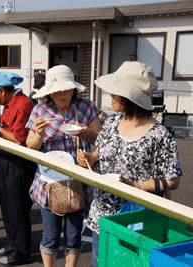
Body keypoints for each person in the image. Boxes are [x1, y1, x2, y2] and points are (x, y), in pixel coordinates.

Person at [77, 61, 182, 267]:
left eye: (116, 92)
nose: (112, 96)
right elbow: (101, 149)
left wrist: (136, 186)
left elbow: (172, 180)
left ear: (130, 98)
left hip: (137, 221)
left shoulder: (160, 135)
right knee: (102, 262)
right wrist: (91, 157)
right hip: (103, 216)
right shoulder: (112, 122)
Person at [25, 65, 101, 267]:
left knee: (74, 236)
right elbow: (30, 146)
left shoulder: (86, 107)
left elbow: (101, 141)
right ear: (49, 91)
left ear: (73, 89)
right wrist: (39, 134)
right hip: (49, 182)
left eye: (65, 89)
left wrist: (90, 149)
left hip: (78, 181)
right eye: (56, 90)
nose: (60, 93)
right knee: (50, 236)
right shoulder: (40, 110)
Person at [0, 71, 37, 265]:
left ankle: (22, 252)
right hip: (6, 157)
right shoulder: (10, 104)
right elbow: (5, 127)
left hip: (19, 161)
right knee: (7, 205)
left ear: (2, 91)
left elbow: (19, 140)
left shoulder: (23, 104)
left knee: (18, 207)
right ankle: (13, 243)